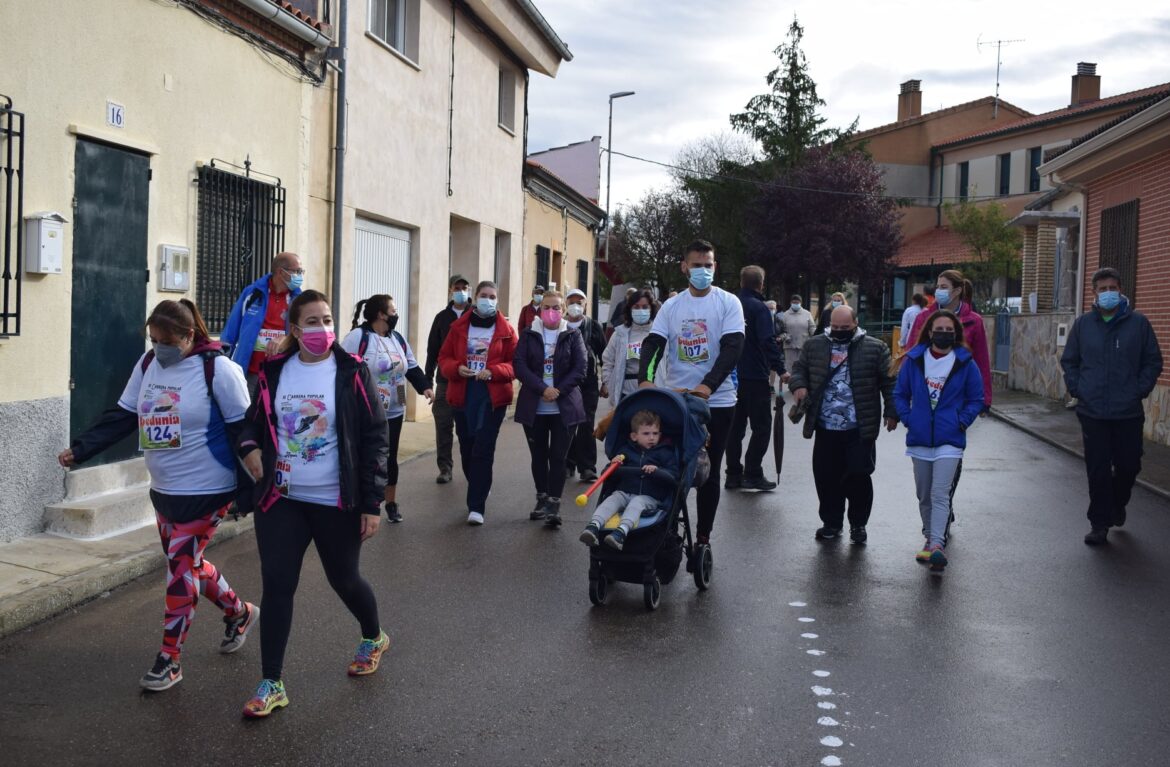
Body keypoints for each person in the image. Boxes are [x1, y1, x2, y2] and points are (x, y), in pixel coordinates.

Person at [58, 299, 257, 692]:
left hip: (208, 488)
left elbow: (246, 431)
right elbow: (125, 414)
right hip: (164, 489)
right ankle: (239, 612)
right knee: (189, 563)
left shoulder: (218, 369)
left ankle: (170, 659)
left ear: (187, 336)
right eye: (153, 339)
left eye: (165, 340)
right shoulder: (149, 365)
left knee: (180, 568)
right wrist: (81, 448)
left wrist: (254, 487)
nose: (158, 347)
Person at [235, 289, 389, 718]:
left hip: (336, 501)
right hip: (282, 499)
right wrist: (249, 447)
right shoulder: (274, 372)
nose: (322, 328)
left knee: (344, 580)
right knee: (278, 585)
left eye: (327, 320)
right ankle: (272, 681)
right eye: (313, 322)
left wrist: (372, 503)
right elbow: (252, 425)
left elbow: (377, 438)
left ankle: (373, 636)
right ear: (295, 330)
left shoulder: (352, 371)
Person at [638, 239, 745, 550]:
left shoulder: (728, 303)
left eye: (708, 265)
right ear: (684, 267)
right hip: (678, 400)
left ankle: (703, 537)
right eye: (696, 265)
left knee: (708, 472)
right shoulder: (672, 307)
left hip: (718, 401)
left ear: (716, 267)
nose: (702, 271)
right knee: (671, 468)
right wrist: (646, 379)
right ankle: (666, 529)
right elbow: (653, 345)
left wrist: (708, 386)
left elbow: (732, 348)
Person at [1061, 267, 1163, 545]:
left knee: (1129, 465)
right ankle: (1099, 523)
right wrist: (1077, 388)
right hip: (1092, 410)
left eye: (1112, 288)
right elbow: (1070, 360)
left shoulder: (1138, 324)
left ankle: (1118, 503)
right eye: (1102, 289)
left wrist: (1138, 390)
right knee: (1098, 468)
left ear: (1121, 290)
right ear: (1094, 293)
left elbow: (1153, 361)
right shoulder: (1083, 325)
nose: (1108, 293)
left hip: (1128, 411)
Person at [790, 305, 897, 544]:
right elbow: (799, 369)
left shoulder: (875, 347)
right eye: (835, 327)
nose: (839, 331)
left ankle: (858, 525)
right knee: (826, 477)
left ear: (855, 324)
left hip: (859, 427)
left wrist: (892, 411)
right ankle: (831, 522)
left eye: (845, 328)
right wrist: (798, 385)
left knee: (859, 477)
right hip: (825, 426)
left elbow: (889, 382)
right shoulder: (814, 345)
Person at [893, 311, 985, 571]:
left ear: (956, 333)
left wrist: (961, 421)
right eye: (939, 328)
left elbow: (975, 399)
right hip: (920, 438)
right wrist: (909, 418)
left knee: (940, 492)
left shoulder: (965, 362)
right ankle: (928, 535)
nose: (944, 333)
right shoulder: (914, 360)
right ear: (930, 332)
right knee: (924, 494)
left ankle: (936, 544)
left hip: (950, 439)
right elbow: (900, 393)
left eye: (949, 329)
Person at [342, 294, 434, 524]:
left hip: (394, 409)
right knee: (364, 454)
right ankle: (359, 501)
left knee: (389, 457)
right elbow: (342, 369)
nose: (396, 314)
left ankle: (391, 503)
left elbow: (411, 367)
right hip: (366, 410)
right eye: (393, 310)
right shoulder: (359, 337)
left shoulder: (398, 339)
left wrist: (425, 387)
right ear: (381, 314)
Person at [437, 280, 518, 525]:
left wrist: (493, 371)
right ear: (476, 297)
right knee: (467, 446)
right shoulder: (458, 327)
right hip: (463, 392)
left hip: (492, 396)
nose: (488, 300)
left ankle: (476, 506)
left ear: (497, 300)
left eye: (492, 296)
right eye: (484, 295)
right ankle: (480, 484)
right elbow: (444, 357)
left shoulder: (506, 330)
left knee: (484, 446)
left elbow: (515, 364)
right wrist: (456, 368)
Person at [514, 290, 587, 526]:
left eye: (556, 307)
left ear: (563, 310)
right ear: (540, 310)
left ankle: (554, 504)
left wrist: (558, 390)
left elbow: (580, 367)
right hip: (534, 407)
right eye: (547, 307)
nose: (552, 312)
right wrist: (542, 389)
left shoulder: (573, 335)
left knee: (558, 456)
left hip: (564, 407)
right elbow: (520, 365)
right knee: (538, 455)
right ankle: (541, 498)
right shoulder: (528, 334)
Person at [579, 409, 680, 551]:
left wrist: (657, 470)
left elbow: (673, 474)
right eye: (646, 434)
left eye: (655, 434)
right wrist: (613, 464)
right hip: (625, 491)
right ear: (634, 436)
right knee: (611, 499)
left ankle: (621, 532)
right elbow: (608, 473)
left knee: (636, 503)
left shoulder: (664, 453)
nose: (651, 437)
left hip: (650, 497)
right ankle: (594, 526)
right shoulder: (626, 451)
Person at [726, 266, 786, 491]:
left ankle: (732, 473)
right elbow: (766, 340)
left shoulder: (729, 304)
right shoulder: (759, 308)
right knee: (761, 427)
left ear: (742, 282)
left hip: (730, 375)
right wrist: (780, 368)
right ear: (761, 284)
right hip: (754, 375)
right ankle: (752, 472)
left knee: (735, 428)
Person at [220, 251, 304, 394]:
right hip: (250, 374)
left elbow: (305, 334)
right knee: (248, 415)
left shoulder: (300, 299)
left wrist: (287, 339)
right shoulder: (252, 294)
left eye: (301, 271)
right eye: (296, 271)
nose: (300, 276)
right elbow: (230, 331)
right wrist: (221, 364)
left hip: (283, 373)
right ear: (280, 272)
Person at [909, 270, 992, 408]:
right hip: (926, 392)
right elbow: (911, 353)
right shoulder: (923, 318)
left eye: (943, 287)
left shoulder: (974, 321)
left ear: (957, 291)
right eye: (937, 287)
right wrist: (907, 394)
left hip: (959, 395)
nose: (938, 291)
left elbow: (981, 360)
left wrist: (985, 399)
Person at [424, 275, 470, 484]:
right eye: (457, 288)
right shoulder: (442, 317)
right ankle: (445, 468)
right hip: (445, 381)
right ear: (451, 290)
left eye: (464, 287)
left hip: (471, 381)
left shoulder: (477, 315)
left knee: (469, 428)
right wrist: (427, 381)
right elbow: (432, 350)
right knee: (443, 425)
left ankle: (472, 467)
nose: (460, 291)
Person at [564, 288, 606, 483]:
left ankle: (587, 467)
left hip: (588, 383)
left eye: (579, 302)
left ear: (586, 304)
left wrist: (605, 382)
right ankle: (566, 463)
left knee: (586, 423)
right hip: (564, 383)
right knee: (567, 423)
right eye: (571, 301)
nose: (575, 305)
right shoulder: (560, 325)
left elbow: (605, 356)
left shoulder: (593, 326)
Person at [601, 289, 658, 407]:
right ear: (630, 309)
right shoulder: (620, 334)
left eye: (645, 307)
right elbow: (608, 361)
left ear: (651, 309)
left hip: (653, 393)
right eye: (636, 307)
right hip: (625, 394)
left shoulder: (658, 333)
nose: (640, 310)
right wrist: (610, 383)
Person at [780, 294, 816, 376]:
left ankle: (801, 385)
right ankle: (790, 385)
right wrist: (785, 337)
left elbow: (812, 327)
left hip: (803, 344)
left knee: (802, 366)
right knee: (790, 367)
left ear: (801, 303)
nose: (795, 304)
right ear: (790, 303)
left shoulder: (807, 314)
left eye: (797, 302)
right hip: (789, 346)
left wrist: (814, 336)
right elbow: (781, 330)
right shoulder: (785, 315)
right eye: (794, 302)